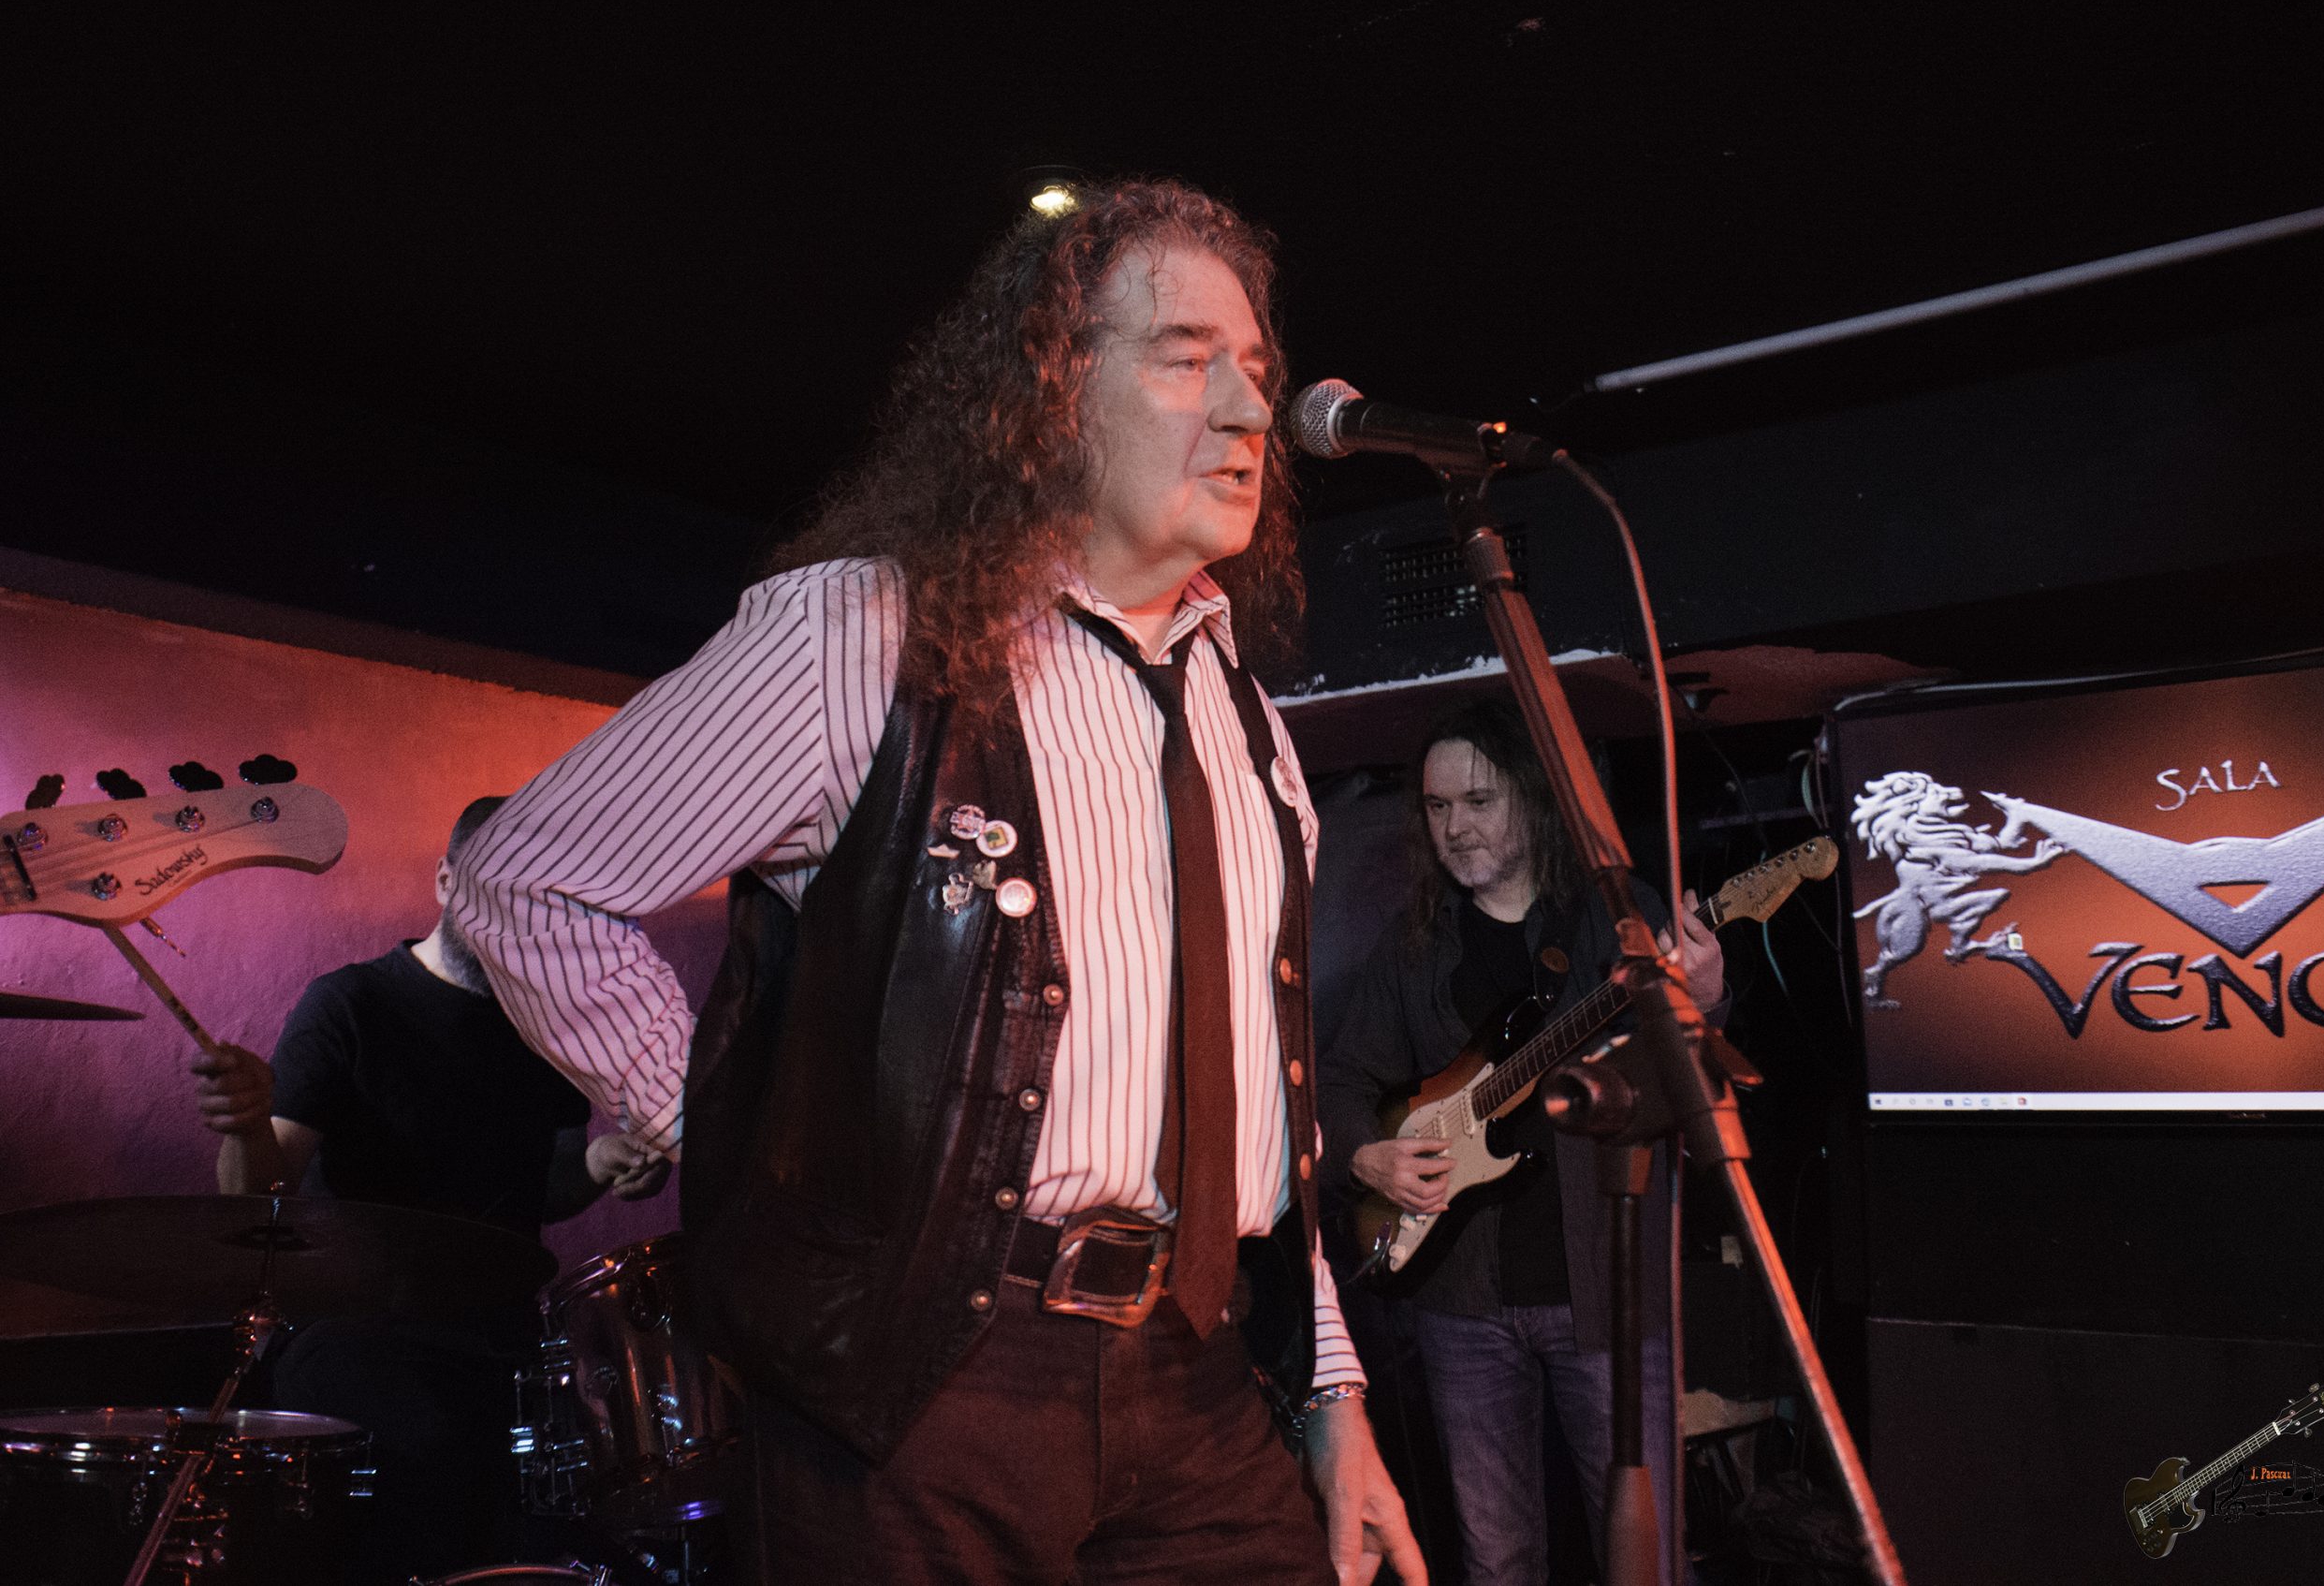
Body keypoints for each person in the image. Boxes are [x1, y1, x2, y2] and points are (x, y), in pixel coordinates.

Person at [449, 180, 1425, 1586]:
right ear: (1053, 390)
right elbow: (527, 882)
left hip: (1206, 1378)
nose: (1247, 409)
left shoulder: (1251, 726)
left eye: (1258, 370)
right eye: (1185, 358)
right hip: (928, 1386)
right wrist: (745, 1145)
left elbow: (1267, 1105)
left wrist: (1333, 1395)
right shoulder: (865, 636)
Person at [188, 794, 671, 1581]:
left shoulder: (549, 1031)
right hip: (363, 1340)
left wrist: (600, 1163)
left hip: (505, 1349)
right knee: (437, 1472)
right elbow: (261, 1192)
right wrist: (244, 1126)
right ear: (447, 880)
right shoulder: (350, 1004)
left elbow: (544, 1189)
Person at [1317, 699, 1725, 1586]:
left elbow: (1692, 1088)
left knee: (1647, 1558)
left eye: (1478, 800)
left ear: (1532, 799)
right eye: (1437, 807)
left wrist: (1703, 1001)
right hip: (1461, 1302)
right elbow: (1340, 1082)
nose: (1455, 827)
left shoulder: (1616, 919)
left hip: (1607, 1296)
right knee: (1497, 1560)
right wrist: (1367, 1157)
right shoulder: (1416, 945)